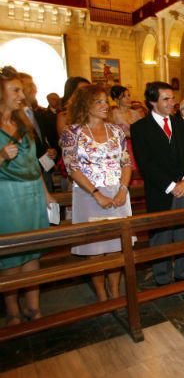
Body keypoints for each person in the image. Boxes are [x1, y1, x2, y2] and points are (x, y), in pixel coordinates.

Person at [60, 84, 132, 301]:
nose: (105, 106)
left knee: (117, 247)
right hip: (89, 196)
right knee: (95, 249)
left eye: (105, 101)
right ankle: (101, 295)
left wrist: (123, 189)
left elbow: (126, 162)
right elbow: (72, 167)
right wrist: (96, 193)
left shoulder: (117, 130)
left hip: (118, 194)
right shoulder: (72, 132)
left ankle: (116, 291)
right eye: (98, 102)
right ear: (85, 105)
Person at [0, 66, 54, 325]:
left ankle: (34, 307)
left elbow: (33, 161)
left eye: (22, 89)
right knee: (11, 254)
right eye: (15, 90)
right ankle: (12, 310)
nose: (22, 94)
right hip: (7, 196)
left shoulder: (24, 123)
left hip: (32, 191)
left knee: (33, 253)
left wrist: (46, 194)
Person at [131, 82, 184, 286]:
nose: (172, 103)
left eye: (172, 98)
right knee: (161, 235)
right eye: (166, 99)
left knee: (182, 234)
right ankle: (162, 277)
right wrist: (171, 185)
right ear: (153, 102)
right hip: (160, 190)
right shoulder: (140, 128)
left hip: (183, 188)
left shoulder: (178, 123)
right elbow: (146, 163)